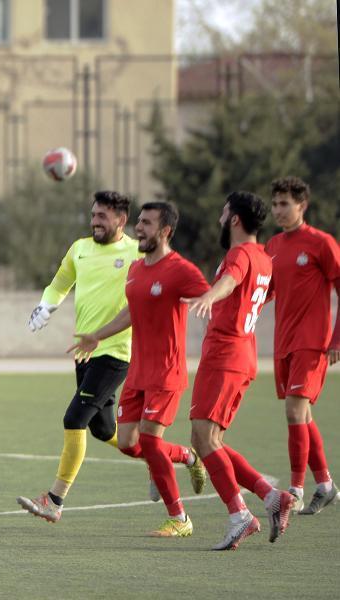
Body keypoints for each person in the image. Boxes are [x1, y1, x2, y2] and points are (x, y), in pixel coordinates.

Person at [68, 202, 209, 537]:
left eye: (147, 223)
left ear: (165, 231)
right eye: (140, 222)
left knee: (150, 440)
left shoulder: (181, 270)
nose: (139, 228)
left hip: (166, 372)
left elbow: (212, 299)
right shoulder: (136, 269)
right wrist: (97, 335)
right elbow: (131, 312)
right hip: (138, 371)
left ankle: (180, 518)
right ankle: (187, 457)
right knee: (130, 444)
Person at [16, 191, 143, 522]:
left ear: (121, 220)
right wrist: (46, 306)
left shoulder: (136, 252)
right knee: (105, 430)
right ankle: (170, 459)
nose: (94, 222)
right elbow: (59, 284)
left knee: (74, 419)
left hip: (115, 352)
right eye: (93, 215)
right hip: (84, 353)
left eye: (102, 216)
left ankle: (54, 500)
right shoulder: (79, 248)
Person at [181, 191, 294, 551]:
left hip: (226, 353)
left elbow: (231, 280)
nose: (219, 218)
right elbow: (263, 292)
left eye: (223, 212)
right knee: (208, 439)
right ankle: (272, 497)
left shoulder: (241, 254)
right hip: (242, 353)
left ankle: (240, 516)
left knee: (204, 438)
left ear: (234, 219)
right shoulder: (263, 257)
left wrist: (210, 296)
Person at [265, 176, 340, 515]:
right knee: (303, 415)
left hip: (312, 342)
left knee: (295, 411)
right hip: (283, 342)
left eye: (284, 204)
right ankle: (325, 485)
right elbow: (265, 291)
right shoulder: (273, 245)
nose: (278, 210)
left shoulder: (321, 243)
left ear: (302, 205)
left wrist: (337, 339)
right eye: (275, 204)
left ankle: (295, 489)